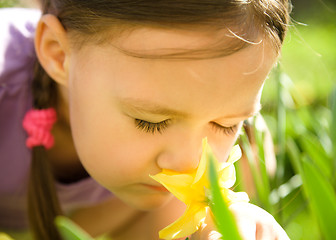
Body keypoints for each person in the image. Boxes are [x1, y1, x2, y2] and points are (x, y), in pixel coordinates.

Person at [0, 0, 291, 239]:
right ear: (59, 54)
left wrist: (214, 225)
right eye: (150, 122)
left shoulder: (242, 156)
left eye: (225, 124)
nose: (189, 164)